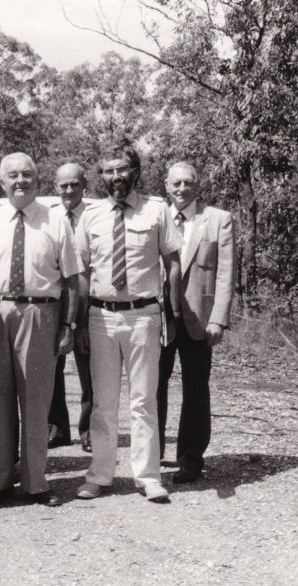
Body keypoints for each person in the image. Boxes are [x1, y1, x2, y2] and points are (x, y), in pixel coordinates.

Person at [73, 141, 182, 503]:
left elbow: (173, 263)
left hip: (144, 316)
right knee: (103, 402)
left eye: (122, 169)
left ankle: (147, 476)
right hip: (101, 316)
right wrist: (79, 321)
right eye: (108, 170)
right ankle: (100, 474)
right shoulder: (90, 216)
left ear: (134, 170)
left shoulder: (157, 210)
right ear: (100, 175)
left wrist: (173, 313)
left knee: (143, 400)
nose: (115, 176)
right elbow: (83, 272)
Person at [0, 152, 81, 508]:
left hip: (41, 313)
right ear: (1, 182)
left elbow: (71, 280)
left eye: (27, 175)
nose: (20, 181)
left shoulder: (54, 220)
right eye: (13, 176)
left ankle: (36, 482)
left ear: (38, 180)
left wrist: (68, 325)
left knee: (36, 402)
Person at [157, 161, 235, 483]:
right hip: (159, 317)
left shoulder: (218, 220)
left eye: (188, 183)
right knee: (153, 387)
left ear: (197, 185)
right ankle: (151, 454)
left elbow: (226, 274)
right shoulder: (155, 217)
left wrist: (218, 319)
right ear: (166, 185)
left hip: (199, 321)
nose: (181, 189)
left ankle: (191, 458)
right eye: (176, 183)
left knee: (196, 390)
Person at [47, 162, 95, 451]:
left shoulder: (94, 216)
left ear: (83, 185)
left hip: (88, 302)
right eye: (63, 185)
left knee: (89, 369)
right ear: (55, 186)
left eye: (74, 184)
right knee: (53, 367)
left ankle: (89, 429)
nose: (68, 190)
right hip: (59, 302)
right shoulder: (49, 217)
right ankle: (57, 428)